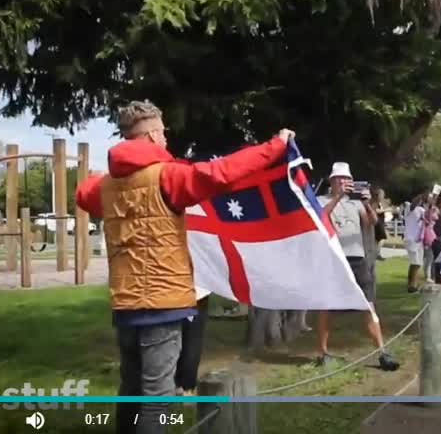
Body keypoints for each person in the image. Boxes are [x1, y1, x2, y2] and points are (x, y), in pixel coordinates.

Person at [75, 100, 294, 434]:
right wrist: (275, 147)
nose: (166, 139)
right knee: (158, 396)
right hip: (163, 305)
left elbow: (83, 193)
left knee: (131, 389)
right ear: (149, 135)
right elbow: (221, 173)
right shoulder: (168, 177)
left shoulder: (106, 187)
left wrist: (95, 176)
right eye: (162, 132)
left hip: (126, 304)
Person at [317, 162, 400, 371]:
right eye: (341, 179)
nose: (345, 182)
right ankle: (323, 352)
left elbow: (371, 222)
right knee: (328, 308)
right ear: (332, 181)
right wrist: (337, 197)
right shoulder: (321, 200)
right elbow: (321, 218)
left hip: (358, 260)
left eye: (348, 179)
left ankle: (382, 352)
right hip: (335, 260)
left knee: (369, 306)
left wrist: (367, 203)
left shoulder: (355, 204)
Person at [175, 287, 210, 396]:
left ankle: (184, 387)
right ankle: (185, 388)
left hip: (189, 294)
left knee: (190, 341)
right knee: (192, 340)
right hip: (189, 294)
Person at [403, 193, 426, 292]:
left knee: (418, 263)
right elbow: (413, 205)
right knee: (415, 263)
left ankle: (413, 284)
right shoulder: (408, 207)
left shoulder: (422, 210)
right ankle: (411, 285)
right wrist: (419, 196)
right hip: (410, 239)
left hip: (419, 240)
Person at [372, 187, 389, 261]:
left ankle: (377, 253)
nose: (383, 196)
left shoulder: (380, 202)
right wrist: (387, 209)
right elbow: (376, 211)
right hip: (377, 222)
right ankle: (376, 253)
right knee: (382, 238)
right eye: (382, 194)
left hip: (381, 221)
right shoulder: (374, 202)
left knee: (378, 239)